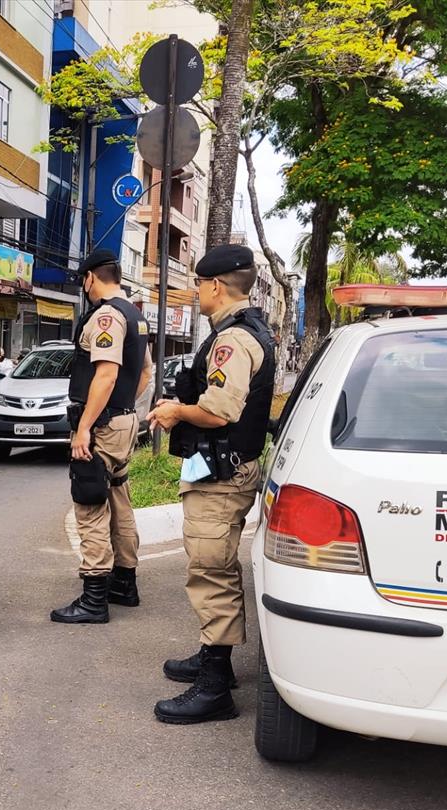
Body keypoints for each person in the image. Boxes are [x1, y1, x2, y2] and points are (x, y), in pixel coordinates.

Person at [146, 244, 275, 724]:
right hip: (228, 467)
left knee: (212, 571)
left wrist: (176, 410)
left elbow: (220, 410)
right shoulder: (245, 331)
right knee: (213, 565)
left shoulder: (232, 341)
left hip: (222, 475)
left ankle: (216, 684)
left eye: (199, 284)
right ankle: (211, 654)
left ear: (216, 286)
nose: (197, 291)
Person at [51, 248, 152, 624]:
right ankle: (125, 583)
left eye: (84, 281)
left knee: (90, 503)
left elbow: (106, 375)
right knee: (120, 501)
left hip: (102, 426)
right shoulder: (136, 315)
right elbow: (146, 371)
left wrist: (84, 428)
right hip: (122, 421)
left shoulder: (107, 316)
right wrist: (125, 408)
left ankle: (94, 599)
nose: (84, 288)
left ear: (91, 277)